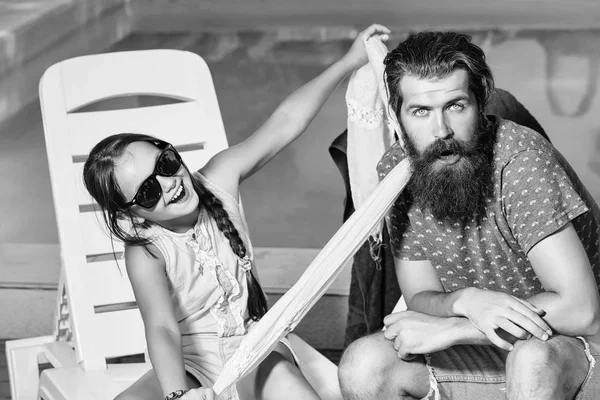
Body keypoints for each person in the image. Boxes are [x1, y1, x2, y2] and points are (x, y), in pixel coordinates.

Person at [82, 24, 391, 400]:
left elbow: (286, 122)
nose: (168, 183)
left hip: (254, 349)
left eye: (164, 163)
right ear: (133, 215)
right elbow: (161, 327)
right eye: (147, 191)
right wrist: (179, 394)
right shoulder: (147, 249)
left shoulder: (218, 178)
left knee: (293, 393)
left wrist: (348, 61)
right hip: (193, 365)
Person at [337, 31, 600, 400]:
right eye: (421, 111)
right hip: (497, 349)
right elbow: (420, 295)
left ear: (480, 104)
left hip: (580, 349)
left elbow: (582, 311)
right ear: (398, 117)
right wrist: (466, 302)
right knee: (363, 363)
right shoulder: (399, 172)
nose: (441, 130)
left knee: (532, 358)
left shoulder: (520, 162)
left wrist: (459, 328)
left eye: (456, 106)